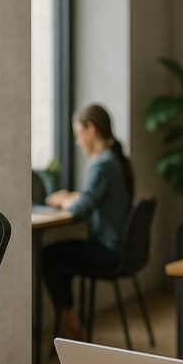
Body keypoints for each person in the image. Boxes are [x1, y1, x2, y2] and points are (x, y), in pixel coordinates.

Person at [43, 104, 133, 339]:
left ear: (90, 129)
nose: (77, 141)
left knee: (49, 256)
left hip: (107, 251)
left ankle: (69, 324)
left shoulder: (102, 165)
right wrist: (73, 197)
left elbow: (80, 210)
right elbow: (93, 198)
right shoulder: (115, 159)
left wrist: (63, 201)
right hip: (120, 248)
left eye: (78, 134)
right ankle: (69, 320)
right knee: (59, 257)